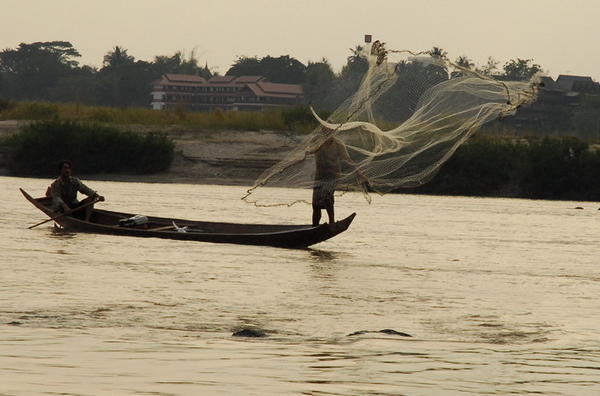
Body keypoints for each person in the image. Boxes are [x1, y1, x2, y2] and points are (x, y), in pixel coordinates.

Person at [309, 130, 353, 226]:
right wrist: (318, 146)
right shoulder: (316, 140)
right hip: (319, 177)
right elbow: (309, 150)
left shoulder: (338, 144)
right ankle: (314, 227)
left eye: (330, 130)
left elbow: (348, 160)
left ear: (334, 131)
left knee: (327, 199)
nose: (327, 132)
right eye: (325, 130)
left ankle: (331, 223)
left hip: (333, 177)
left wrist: (361, 175)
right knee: (315, 205)